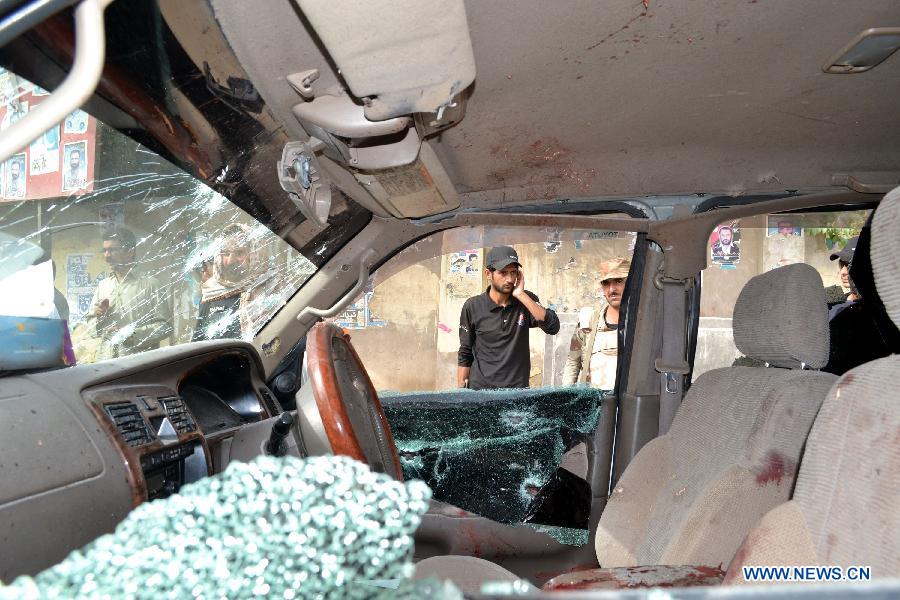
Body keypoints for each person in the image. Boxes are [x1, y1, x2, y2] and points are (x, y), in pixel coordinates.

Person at [457, 246, 560, 390]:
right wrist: (461, 388)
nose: (510, 279)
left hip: (517, 392)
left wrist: (521, 295)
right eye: (503, 273)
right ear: (488, 274)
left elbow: (553, 327)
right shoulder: (473, 306)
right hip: (480, 392)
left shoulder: (526, 300)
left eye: (513, 273)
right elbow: (465, 350)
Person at [85, 227, 173, 360]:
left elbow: (165, 327)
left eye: (112, 250)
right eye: (105, 250)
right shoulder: (103, 286)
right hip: (105, 366)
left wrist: (131, 335)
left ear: (130, 252)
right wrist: (98, 318)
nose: (106, 256)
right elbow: (90, 328)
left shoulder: (150, 285)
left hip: (138, 368)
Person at [562, 257, 629, 389]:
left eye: (619, 281)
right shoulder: (588, 322)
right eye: (606, 283)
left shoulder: (644, 324)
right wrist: (566, 397)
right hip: (595, 403)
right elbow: (572, 362)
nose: (611, 289)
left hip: (631, 404)